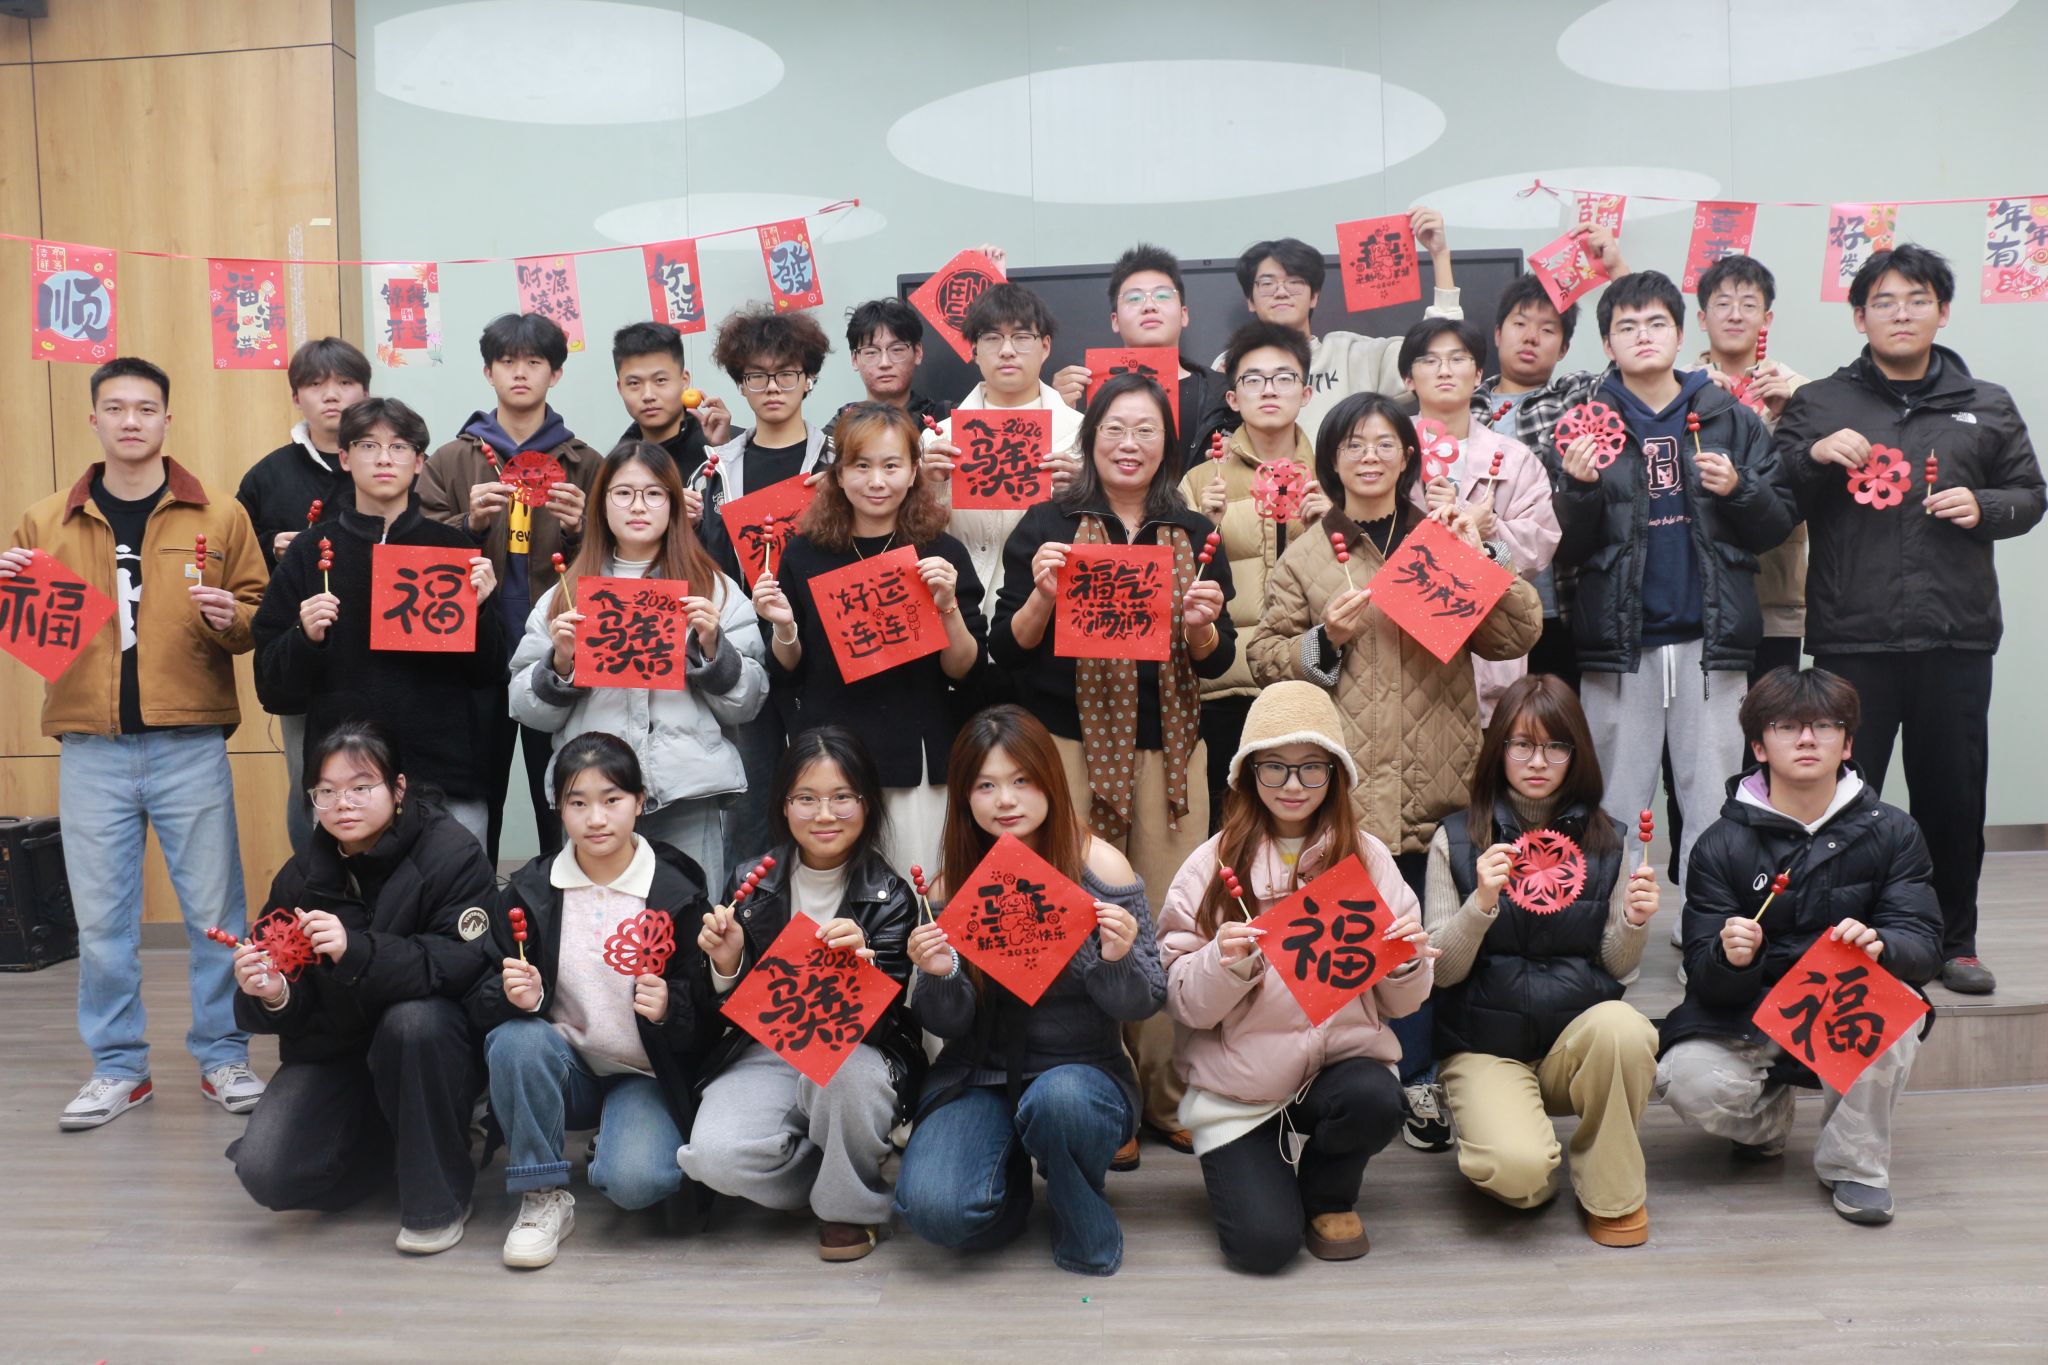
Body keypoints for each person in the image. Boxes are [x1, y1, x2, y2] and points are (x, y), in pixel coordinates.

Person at [1245, 392, 1541, 1150]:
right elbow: (1265, 656)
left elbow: (1514, 635)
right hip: (1349, 784)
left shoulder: (1438, 538)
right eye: (1353, 444)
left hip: (1441, 774)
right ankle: (1331, 1080)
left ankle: (1421, 1079)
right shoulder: (1308, 553)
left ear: (1408, 455)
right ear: (1331, 460)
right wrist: (1322, 640)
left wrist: (1484, 551)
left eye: (1384, 443)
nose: (1369, 456)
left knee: (1425, 939)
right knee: (1345, 933)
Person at [4, 357, 269, 1131]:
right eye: (115, 407)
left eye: (145, 408)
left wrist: (233, 617)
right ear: (93, 419)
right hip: (91, 748)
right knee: (101, 923)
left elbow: (260, 613)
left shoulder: (219, 514)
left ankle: (224, 1056)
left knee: (216, 914)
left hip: (190, 741)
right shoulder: (45, 520)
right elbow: (26, 624)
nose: (130, 420)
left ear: (166, 419)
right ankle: (119, 1067)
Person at [1773, 244, 2043, 995]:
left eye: (1918, 299)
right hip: (1850, 636)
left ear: (1943, 312)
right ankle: (1835, 944)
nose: (1902, 313)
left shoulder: (1986, 401)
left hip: (1955, 635)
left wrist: (1985, 506)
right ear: (1859, 317)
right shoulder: (1820, 402)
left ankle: (1954, 942)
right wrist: (1814, 453)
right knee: (1839, 801)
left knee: (1952, 798)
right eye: (1884, 302)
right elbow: (1774, 501)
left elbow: (2031, 493)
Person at [989, 373, 1234, 1158]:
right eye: (1114, 429)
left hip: (1171, 754)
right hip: (1065, 749)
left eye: (1146, 430)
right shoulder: (1048, 523)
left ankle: (1164, 1091)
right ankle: (1098, 1091)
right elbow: (1005, 648)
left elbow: (1215, 657)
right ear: (1090, 439)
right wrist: (1043, 593)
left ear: (1167, 443)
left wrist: (1201, 625)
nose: (1129, 444)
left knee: (1163, 919)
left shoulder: (1193, 529)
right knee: (1069, 914)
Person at [1157, 682, 1434, 1273]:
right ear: (1247, 772)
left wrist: (1409, 963)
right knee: (1263, 1247)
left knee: (1376, 1098)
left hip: (1336, 1072)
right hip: (1239, 1087)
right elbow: (1181, 1000)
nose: (1292, 785)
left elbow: (1403, 1004)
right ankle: (1260, 1169)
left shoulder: (1369, 859)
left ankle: (1328, 1193)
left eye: (1312, 767)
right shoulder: (1210, 866)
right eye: (1274, 767)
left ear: (1335, 774)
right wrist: (1224, 965)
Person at [1549, 270, 1793, 928]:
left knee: (1712, 800)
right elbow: (1564, 551)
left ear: (1681, 335)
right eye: (1626, 326)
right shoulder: (1584, 424)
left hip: (1709, 641)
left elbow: (1775, 525)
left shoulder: (1729, 417)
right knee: (1615, 801)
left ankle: (1708, 938)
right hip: (1618, 645)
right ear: (1608, 343)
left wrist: (1740, 488)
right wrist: (1578, 490)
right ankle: (1615, 937)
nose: (1643, 335)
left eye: (1656, 322)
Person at [1657, 667, 1942, 1226]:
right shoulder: (1719, 844)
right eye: (1787, 727)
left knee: (1895, 1009)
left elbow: (1924, 943)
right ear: (1759, 747)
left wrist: (1883, 944)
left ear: (1848, 743)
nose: (1807, 739)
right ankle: (1767, 1123)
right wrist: (1731, 959)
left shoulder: (1893, 832)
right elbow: (1704, 977)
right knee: (1684, 1079)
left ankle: (1856, 1167)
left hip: (1843, 1004)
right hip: (1751, 1010)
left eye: (1824, 726)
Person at [892, 706, 1165, 1276]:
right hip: (979, 1076)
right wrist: (940, 974)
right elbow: (946, 1025)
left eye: (1021, 780)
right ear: (964, 796)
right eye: (985, 786)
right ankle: (1007, 1182)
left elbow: (1146, 1001)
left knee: (1059, 1100)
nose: (1006, 801)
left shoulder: (1101, 868)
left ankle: (1077, 1204)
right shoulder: (950, 885)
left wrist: (1114, 960)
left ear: (1049, 780)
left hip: (1083, 1074)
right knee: (936, 1212)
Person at [225, 722, 497, 1254]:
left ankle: (439, 1198)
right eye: (325, 791)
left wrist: (357, 949)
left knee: (413, 1021)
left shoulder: (451, 851)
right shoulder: (301, 874)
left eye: (360, 787)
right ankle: (400, 1149)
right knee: (267, 1173)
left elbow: (458, 962)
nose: (342, 804)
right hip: (340, 1051)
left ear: (398, 789)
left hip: (433, 1048)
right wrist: (272, 993)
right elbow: (287, 997)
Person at [1425, 675, 1662, 1246]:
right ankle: (1522, 1145)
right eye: (1522, 744)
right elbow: (1441, 972)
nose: (1538, 761)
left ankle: (1612, 1192)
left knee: (1626, 1028)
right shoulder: (1456, 838)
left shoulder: (1608, 842)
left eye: (1556, 746)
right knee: (1520, 1176)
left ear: (1576, 754)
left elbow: (1618, 968)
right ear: (1498, 748)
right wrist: (1481, 904)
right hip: (1484, 1046)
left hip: (1571, 1046)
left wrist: (1633, 922)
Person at [469, 733, 714, 1269]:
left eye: (612, 799)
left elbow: (708, 1021)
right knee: (515, 1040)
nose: (596, 818)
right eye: (577, 803)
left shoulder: (677, 891)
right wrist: (515, 997)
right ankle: (541, 1195)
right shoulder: (531, 890)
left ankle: (618, 1137)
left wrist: (670, 1009)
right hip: (565, 1068)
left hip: (644, 1073)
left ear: (640, 802)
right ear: (558, 808)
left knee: (637, 1182)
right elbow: (478, 1002)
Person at [681, 729, 922, 1263]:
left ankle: (848, 1208)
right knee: (712, 1159)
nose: (824, 814)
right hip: (766, 1050)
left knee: (846, 1079)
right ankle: (828, 1169)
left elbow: (890, 1024)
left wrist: (866, 970)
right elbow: (721, 1007)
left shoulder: (890, 896)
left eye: (842, 797)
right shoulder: (750, 881)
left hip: (854, 1053)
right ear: (784, 805)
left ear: (867, 802)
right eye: (806, 798)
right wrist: (728, 963)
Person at [507, 440, 765, 896]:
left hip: (686, 796)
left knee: (690, 920)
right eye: (623, 493)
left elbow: (747, 703)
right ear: (602, 503)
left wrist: (713, 649)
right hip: (594, 799)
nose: (638, 506)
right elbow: (526, 709)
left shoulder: (714, 589)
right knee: (597, 925)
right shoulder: (566, 593)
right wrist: (560, 663)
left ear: (674, 503)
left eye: (654, 493)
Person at [255, 397, 507, 850]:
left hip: (444, 780)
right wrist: (304, 638)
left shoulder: (453, 551)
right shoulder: (311, 552)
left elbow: (488, 674)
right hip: (344, 783)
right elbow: (272, 689)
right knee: (345, 896)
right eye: (368, 446)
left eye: (399, 447)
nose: (385, 458)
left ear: (419, 462)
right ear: (345, 458)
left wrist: (484, 610)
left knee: (455, 893)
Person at [751, 404, 985, 875]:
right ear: (838, 474)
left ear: (914, 471)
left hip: (915, 757)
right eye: (861, 466)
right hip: (830, 755)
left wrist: (946, 607)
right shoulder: (804, 552)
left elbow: (964, 668)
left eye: (891, 465)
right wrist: (784, 627)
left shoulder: (941, 551)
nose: (877, 481)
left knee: (915, 882)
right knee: (835, 885)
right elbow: (789, 667)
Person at [419, 312, 600, 863]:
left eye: (534, 362)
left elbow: (617, 558)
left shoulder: (584, 462)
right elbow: (417, 550)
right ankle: (474, 904)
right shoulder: (452, 459)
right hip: (475, 650)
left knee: (565, 789)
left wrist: (580, 530)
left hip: (559, 649)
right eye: (507, 362)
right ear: (487, 372)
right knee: (475, 792)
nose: (520, 373)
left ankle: (562, 903)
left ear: (556, 374)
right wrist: (467, 526)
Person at [699, 304, 837, 866]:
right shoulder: (715, 470)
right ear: (740, 384)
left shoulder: (837, 460)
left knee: (825, 790)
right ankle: (748, 913)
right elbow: (707, 563)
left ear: (809, 378)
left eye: (786, 373)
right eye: (757, 376)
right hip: (744, 653)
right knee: (751, 801)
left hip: (823, 653)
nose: (773, 387)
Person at [1177, 320, 1327, 827]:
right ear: (1233, 398)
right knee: (1228, 831)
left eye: (1284, 378)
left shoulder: (1331, 480)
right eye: (1253, 379)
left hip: (1309, 683)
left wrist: (1327, 528)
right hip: (1225, 688)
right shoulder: (1202, 480)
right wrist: (1206, 526)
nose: (1269, 390)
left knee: (1307, 832)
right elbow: (1178, 588)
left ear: (1305, 393)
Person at [1471, 227, 1631, 689]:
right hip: (1477, 602)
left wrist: (1617, 269)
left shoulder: (1575, 395)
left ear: (1563, 348)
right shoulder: (1465, 406)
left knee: (1559, 722)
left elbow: (1632, 364)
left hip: (1560, 601)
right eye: (1520, 324)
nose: (1531, 337)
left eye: (1547, 330)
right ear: (1497, 334)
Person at [236, 338, 370, 856]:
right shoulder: (268, 476)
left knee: (387, 775)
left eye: (345, 383)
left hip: (386, 649)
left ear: (365, 391)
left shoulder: (389, 461)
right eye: (316, 385)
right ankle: (316, 884)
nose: (331, 396)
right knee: (311, 779)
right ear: (297, 397)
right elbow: (236, 557)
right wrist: (273, 548)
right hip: (306, 656)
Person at [1399, 317, 1561, 722]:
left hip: (1488, 658)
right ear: (1408, 378)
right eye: (1429, 360)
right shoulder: (1387, 452)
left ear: (1477, 375)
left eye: (1458, 359)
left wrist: (1490, 532)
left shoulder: (1513, 458)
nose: (1444, 370)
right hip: (1404, 650)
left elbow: (1540, 544)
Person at [1220, 214, 1459, 437]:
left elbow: (1435, 352)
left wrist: (1440, 256)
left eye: (1294, 282)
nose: (1281, 292)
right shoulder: (1231, 364)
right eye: (1267, 284)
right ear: (1250, 300)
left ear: (1314, 296)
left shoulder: (1353, 354)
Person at [922, 282, 1084, 607]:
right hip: (958, 603)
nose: (1007, 350)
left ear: (1045, 346)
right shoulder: (938, 438)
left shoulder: (1082, 435)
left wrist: (1085, 492)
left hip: (1045, 605)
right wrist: (926, 486)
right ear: (974, 350)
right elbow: (915, 536)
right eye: (992, 338)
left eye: (1022, 337)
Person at [1693, 255, 1809, 681]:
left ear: (1767, 318)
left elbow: (1811, 485)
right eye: (1723, 304)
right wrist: (1691, 400)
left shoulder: (1799, 390)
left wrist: (1789, 415)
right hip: (1695, 593)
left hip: (1773, 591)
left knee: (1772, 711)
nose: (1735, 315)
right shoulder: (1676, 386)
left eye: (1748, 304)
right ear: (1702, 318)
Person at [1051, 242, 1230, 471]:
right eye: (1134, 298)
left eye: (1162, 295)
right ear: (1115, 320)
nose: (1149, 306)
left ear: (1184, 314)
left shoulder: (1222, 393)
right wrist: (1059, 410)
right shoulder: (1081, 391)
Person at [611, 320, 734, 497]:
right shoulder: (615, 466)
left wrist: (724, 450)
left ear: (684, 381)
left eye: (660, 380)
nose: (648, 395)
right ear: (620, 388)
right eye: (634, 383)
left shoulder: (728, 443)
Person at [826, 296, 952, 440]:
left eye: (896, 349)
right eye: (871, 352)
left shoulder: (946, 416)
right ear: (854, 359)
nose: (884, 363)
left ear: (917, 352)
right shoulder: (844, 422)